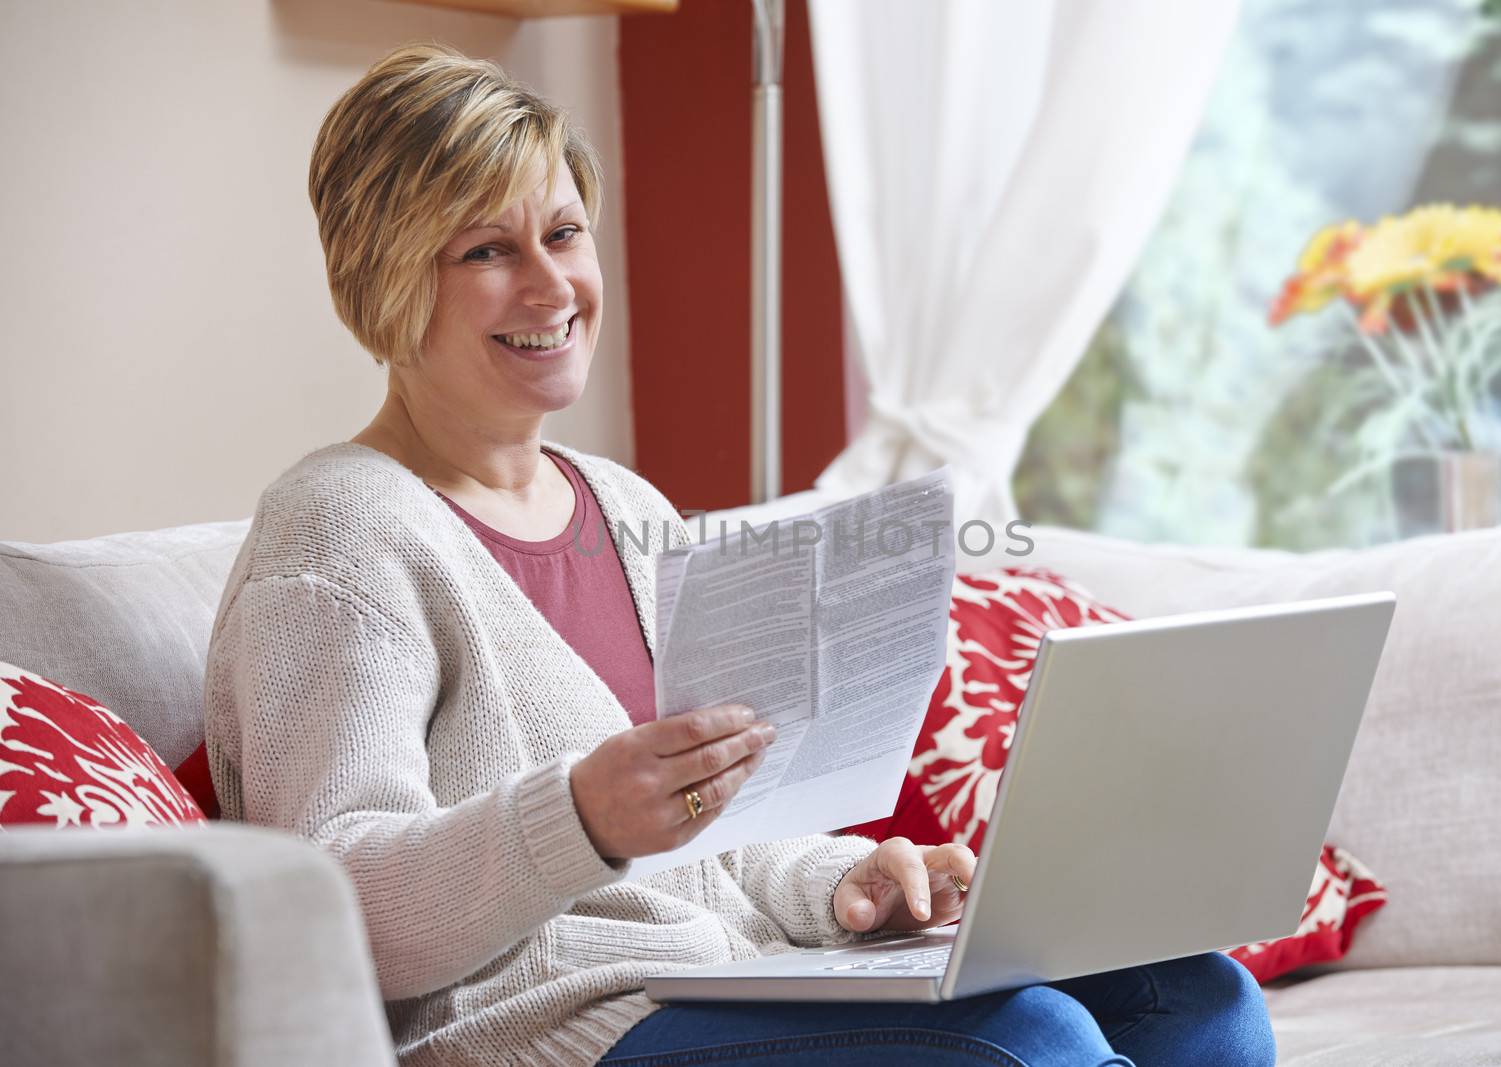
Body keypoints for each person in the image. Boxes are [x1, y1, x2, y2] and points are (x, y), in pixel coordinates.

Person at [202, 42, 1277, 1067]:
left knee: (1197, 996)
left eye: (564, 233)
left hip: (718, 974)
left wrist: (848, 883)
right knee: (1030, 1039)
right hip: (536, 1027)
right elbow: (327, 902)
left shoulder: (621, 506)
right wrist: (577, 816)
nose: (550, 286)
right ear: (383, 277)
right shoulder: (338, 532)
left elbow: (725, 841)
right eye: (486, 249)